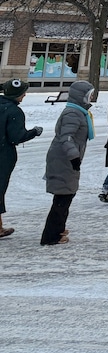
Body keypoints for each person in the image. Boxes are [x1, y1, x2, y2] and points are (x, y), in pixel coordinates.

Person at [42, 80, 94, 245]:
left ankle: (58, 229)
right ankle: (51, 236)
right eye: (89, 95)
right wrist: (74, 157)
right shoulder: (73, 113)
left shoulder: (78, 112)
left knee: (66, 194)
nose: (91, 98)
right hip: (64, 159)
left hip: (66, 158)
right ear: (82, 96)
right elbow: (66, 138)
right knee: (63, 197)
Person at [0, 79, 42, 237]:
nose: (25, 95)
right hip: (3, 155)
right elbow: (16, 137)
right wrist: (34, 132)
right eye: (23, 92)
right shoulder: (14, 111)